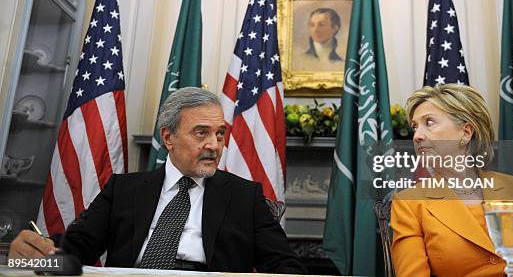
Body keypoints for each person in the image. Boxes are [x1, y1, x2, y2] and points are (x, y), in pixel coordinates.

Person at [9, 87, 306, 274]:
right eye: (201, 133)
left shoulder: (245, 196)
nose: (214, 145)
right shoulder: (124, 189)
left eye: (219, 134)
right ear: (168, 138)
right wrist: (34, 256)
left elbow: (287, 267)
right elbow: (74, 250)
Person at [391, 84, 513, 277]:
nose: (417, 136)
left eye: (429, 122)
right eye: (414, 127)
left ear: (466, 132)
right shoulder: (408, 203)